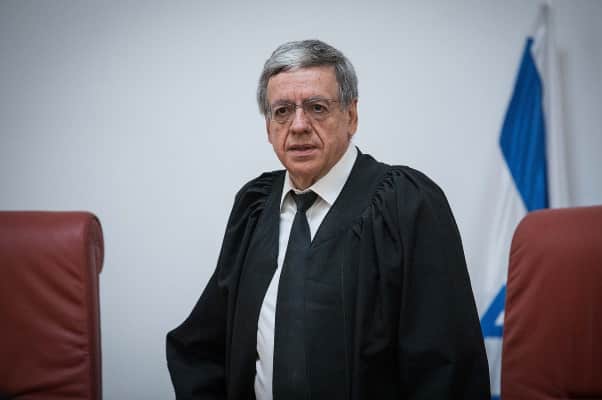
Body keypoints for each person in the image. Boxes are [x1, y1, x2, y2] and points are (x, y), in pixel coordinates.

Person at [166, 39, 490, 400]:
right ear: (268, 126)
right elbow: (207, 344)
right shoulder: (254, 208)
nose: (298, 125)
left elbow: (447, 366)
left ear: (351, 116)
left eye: (317, 108)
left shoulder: (406, 204)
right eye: (282, 111)